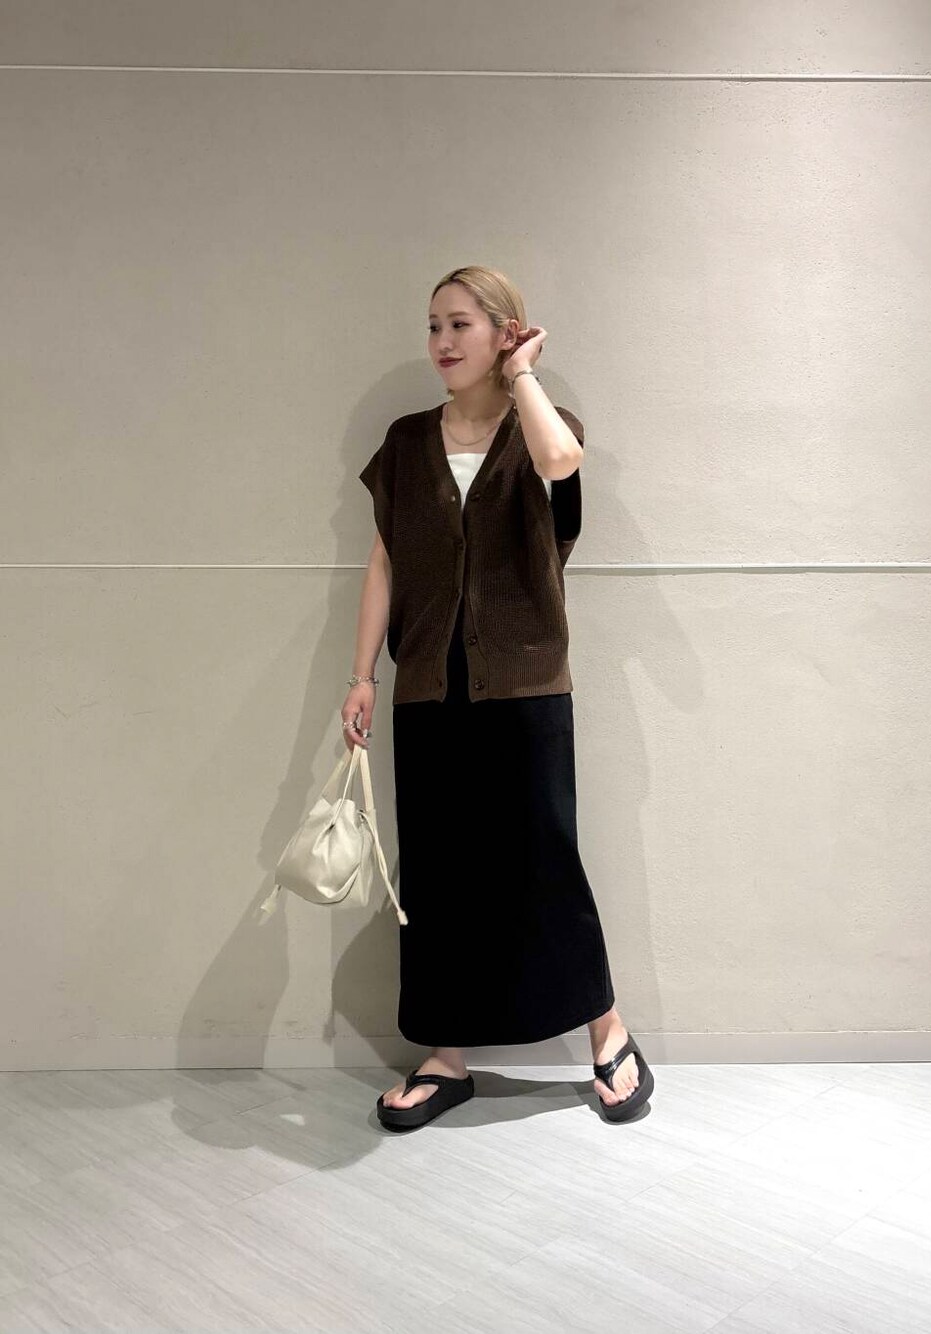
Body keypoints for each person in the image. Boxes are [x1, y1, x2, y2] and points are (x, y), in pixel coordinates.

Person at [344, 266, 654, 1129]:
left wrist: (523, 376)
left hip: (524, 685)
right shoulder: (406, 443)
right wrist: (362, 675)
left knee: (543, 862)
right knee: (438, 872)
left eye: (461, 324)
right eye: (432, 326)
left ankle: (607, 1031)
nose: (442, 342)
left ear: (504, 331)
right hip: (428, 687)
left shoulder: (544, 424)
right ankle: (446, 1055)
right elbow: (385, 561)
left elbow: (560, 463)